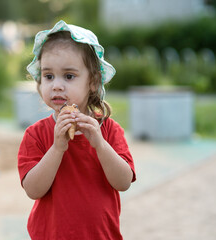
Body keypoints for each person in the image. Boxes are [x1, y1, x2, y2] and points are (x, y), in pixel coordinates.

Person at [18, 20, 136, 239]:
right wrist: (57, 148)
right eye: (48, 76)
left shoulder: (109, 130)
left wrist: (100, 144)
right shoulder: (35, 135)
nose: (57, 85)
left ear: (93, 81)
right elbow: (33, 190)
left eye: (69, 76)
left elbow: (124, 182)